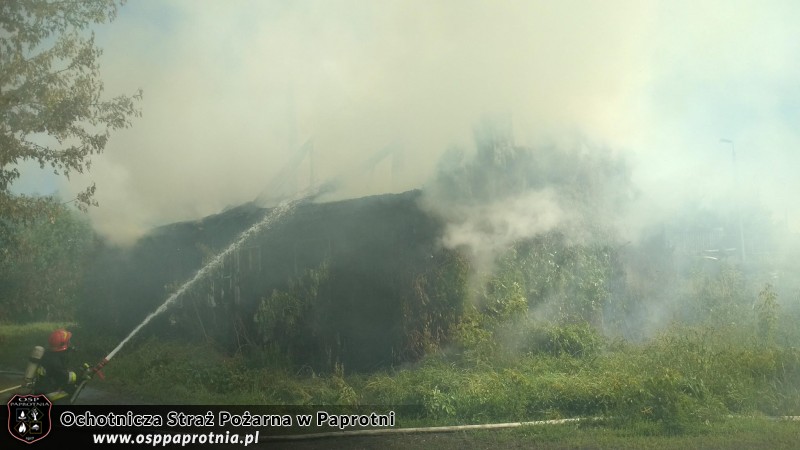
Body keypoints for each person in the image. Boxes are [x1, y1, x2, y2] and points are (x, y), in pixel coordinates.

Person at [33, 328, 90, 403]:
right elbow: (66, 377)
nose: (70, 343)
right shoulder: (55, 361)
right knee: (70, 389)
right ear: (63, 344)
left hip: (41, 390)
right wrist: (80, 373)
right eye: (68, 341)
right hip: (50, 395)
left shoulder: (48, 355)